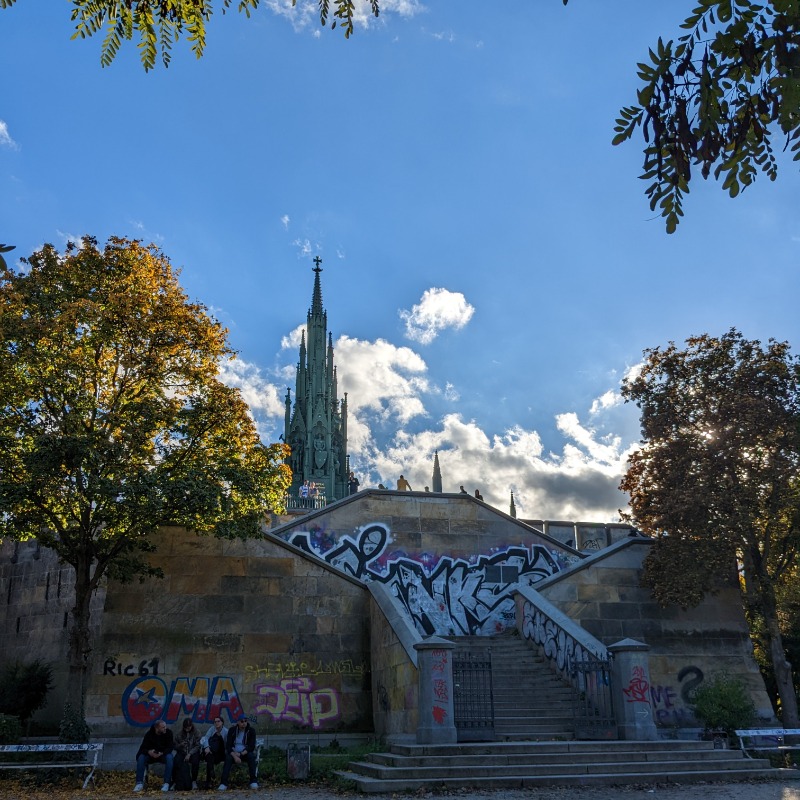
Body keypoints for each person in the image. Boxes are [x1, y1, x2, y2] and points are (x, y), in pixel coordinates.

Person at [218, 716, 258, 791]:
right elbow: (228, 746)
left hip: (244, 753)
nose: (244, 723)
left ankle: (253, 781)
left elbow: (251, 746)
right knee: (228, 758)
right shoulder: (232, 730)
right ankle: (223, 783)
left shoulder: (251, 731)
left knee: (251, 756)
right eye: (242, 721)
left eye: (245, 721)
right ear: (238, 722)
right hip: (234, 753)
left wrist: (241, 754)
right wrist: (235, 756)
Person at [133, 719, 174, 793]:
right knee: (141, 757)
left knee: (170, 758)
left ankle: (166, 783)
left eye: (165, 727)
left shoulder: (168, 733)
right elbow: (142, 748)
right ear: (157, 728)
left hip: (162, 755)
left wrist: (162, 753)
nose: (165, 729)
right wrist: (149, 752)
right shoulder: (149, 734)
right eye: (163, 727)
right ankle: (139, 783)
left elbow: (170, 747)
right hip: (150, 756)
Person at [174, 717, 202, 790]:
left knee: (196, 761)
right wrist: (181, 745)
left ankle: (194, 781)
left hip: (193, 752)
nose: (187, 729)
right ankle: (175, 781)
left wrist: (189, 753)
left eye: (189, 727)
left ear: (191, 726)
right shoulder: (179, 734)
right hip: (182, 752)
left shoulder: (197, 732)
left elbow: (198, 746)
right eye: (186, 728)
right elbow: (175, 746)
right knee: (176, 761)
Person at [200, 715, 228, 789]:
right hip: (211, 751)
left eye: (218, 721)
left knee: (210, 759)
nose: (216, 723)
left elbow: (227, 744)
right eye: (215, 722)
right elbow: (206, 738)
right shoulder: (212, 729)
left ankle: (208, 781)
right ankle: (210, 776)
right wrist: (206, 747)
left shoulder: (226, 731)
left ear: (222, 722)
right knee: (209, 756)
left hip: (221, 753)